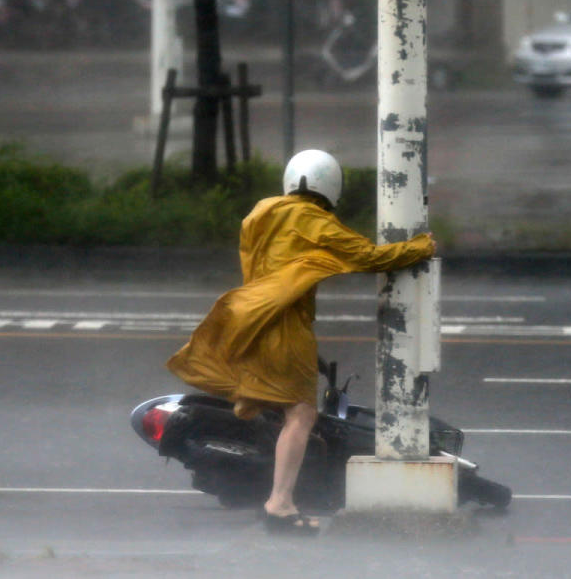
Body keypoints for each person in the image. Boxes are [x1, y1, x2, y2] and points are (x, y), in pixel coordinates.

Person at [166, 148, 436, 534]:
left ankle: (276, 492)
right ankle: (279, 502)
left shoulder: (259, 215)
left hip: (253, 321)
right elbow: (369, 257)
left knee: (284, 411)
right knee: (301, 415)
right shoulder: (313, 220)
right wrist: (421, 247)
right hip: (287, 326)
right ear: (331, 188)